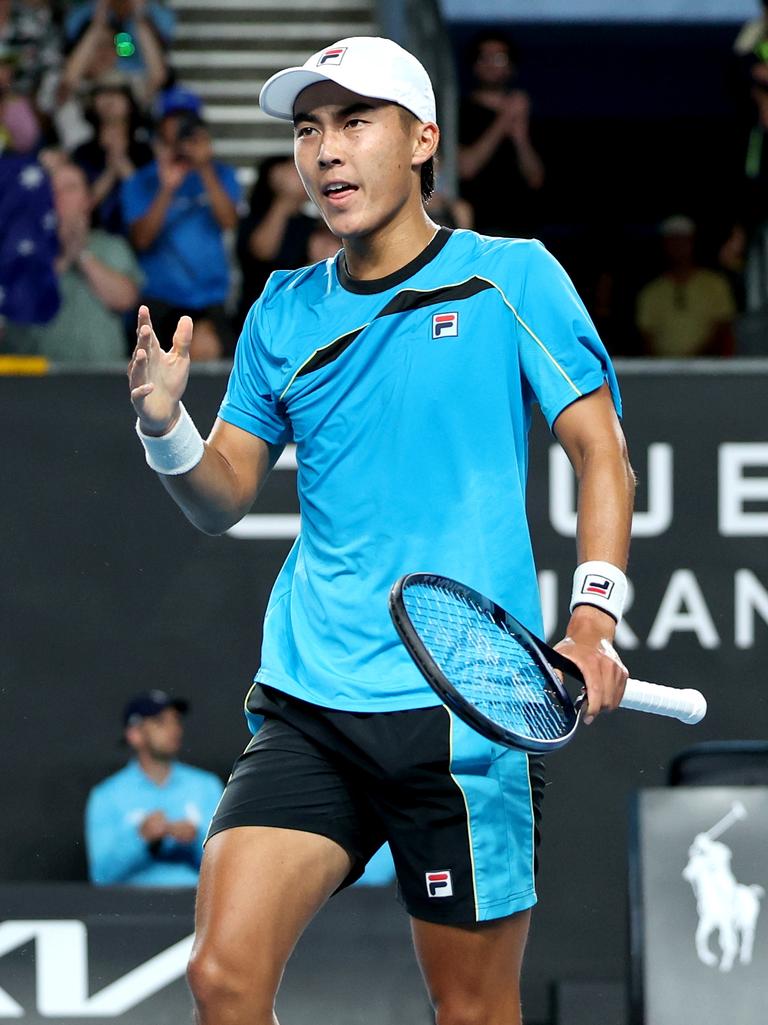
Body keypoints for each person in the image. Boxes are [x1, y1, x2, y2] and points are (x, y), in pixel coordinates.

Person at [127, 36, 634, 1025]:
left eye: (355, 122)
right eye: (308, 129)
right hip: (312, 697)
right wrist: (165, 428)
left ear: (421, 141)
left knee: (474, 1009)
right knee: (223, 977)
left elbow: (600, 451)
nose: (325, 151)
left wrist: (594, 618)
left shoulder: (511, 278)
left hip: (462, 714)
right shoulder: (285, 308)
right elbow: (222, 494)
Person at [122, 87, 241, 361]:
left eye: (188, 128)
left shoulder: (221, 174)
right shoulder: (141, 181)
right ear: (159, 133)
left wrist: (204, 167)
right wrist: (166, 189)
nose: (181, 137)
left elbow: (229, 222)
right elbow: (141, 240)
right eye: (173, 130)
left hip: (210, 300)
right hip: (159, 301)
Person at [3, 159, 142, 360]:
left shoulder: (111, 246)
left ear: (87, 199)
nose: (59, 196)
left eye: (70, 188)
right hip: (38, 378)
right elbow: (18, 308)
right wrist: (64, 259)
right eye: (52, 189)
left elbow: (125, 300)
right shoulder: (23, 249)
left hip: (102, 377)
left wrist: (81, 255)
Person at [85, 689, 224, 886]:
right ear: (134, 734)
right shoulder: (107, 795)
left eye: (175, 720)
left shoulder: (206, 786)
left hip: (194, 905)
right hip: (130, 911)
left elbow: (226, 867)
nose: (173, 729)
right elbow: (100, 876)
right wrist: (140, 838)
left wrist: (195, 842)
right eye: (160, 721)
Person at [457, 30, 545, 238]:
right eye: (484, 57)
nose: (491, 64)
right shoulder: (460, 110)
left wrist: (519, 134)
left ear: (511, 66)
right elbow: (466, 168)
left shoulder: (523, 112)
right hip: (478, 227)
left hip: (522, 228)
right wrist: (504, 119)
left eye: (499, 58)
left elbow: (535, 179)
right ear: (474, 64)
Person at [636, 215, 737, 358]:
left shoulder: (715, 284)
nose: (678, 247)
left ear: (693, 243)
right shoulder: (651, 292)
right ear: (664, 245)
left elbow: (724, 331)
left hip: (709, 370)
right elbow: (646, 339)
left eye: (683, 241)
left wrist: (696, 361)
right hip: (662, 373)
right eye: (672, 241)